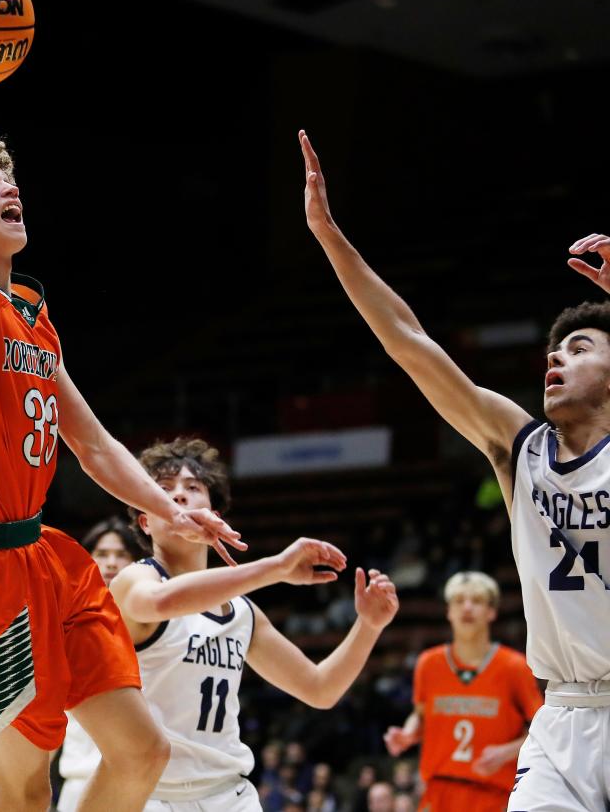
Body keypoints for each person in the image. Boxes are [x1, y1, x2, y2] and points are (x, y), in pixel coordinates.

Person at [0, 16, 245, 811]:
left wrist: (170, 513)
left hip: (48, 558)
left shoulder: (33, 316)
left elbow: (91, 442)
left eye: (8, 176)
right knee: (21, 791)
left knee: (140, 753)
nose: (8, 186)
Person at [299, 131, 610, 811]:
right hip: (561, 721)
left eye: (580, 347)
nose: (555, 360)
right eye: (554, 351)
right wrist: (328, 237)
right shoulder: (521, 447)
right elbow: (410, 342)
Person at [107, 437, 399, 810]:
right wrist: (276, 567)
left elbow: (320, 688)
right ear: (146, 521)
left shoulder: (242, 613)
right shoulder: (135, 580)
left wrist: (368, 627)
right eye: (163, 490)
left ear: (215, 515)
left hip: (230, 796)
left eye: (193, 488)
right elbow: (161, 602)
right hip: (153, 796)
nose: (179, 497)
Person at [383, 572, 542, 811]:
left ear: (491, 612)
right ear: (448, 611)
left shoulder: (514, 666)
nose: (467, 607)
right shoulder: (428, 663)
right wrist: (407, 733)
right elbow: (421, 715)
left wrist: (506, 752)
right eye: (458, 601)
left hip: (494, 795)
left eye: (476, 600)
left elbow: (542, 732)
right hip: (437, 792)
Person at [56, 519, 147, 811]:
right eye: (102, 553)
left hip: (144, 781)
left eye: (121, 555)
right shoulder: (64, 622)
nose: (111, 563)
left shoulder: (154, 621)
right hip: (80, 783)